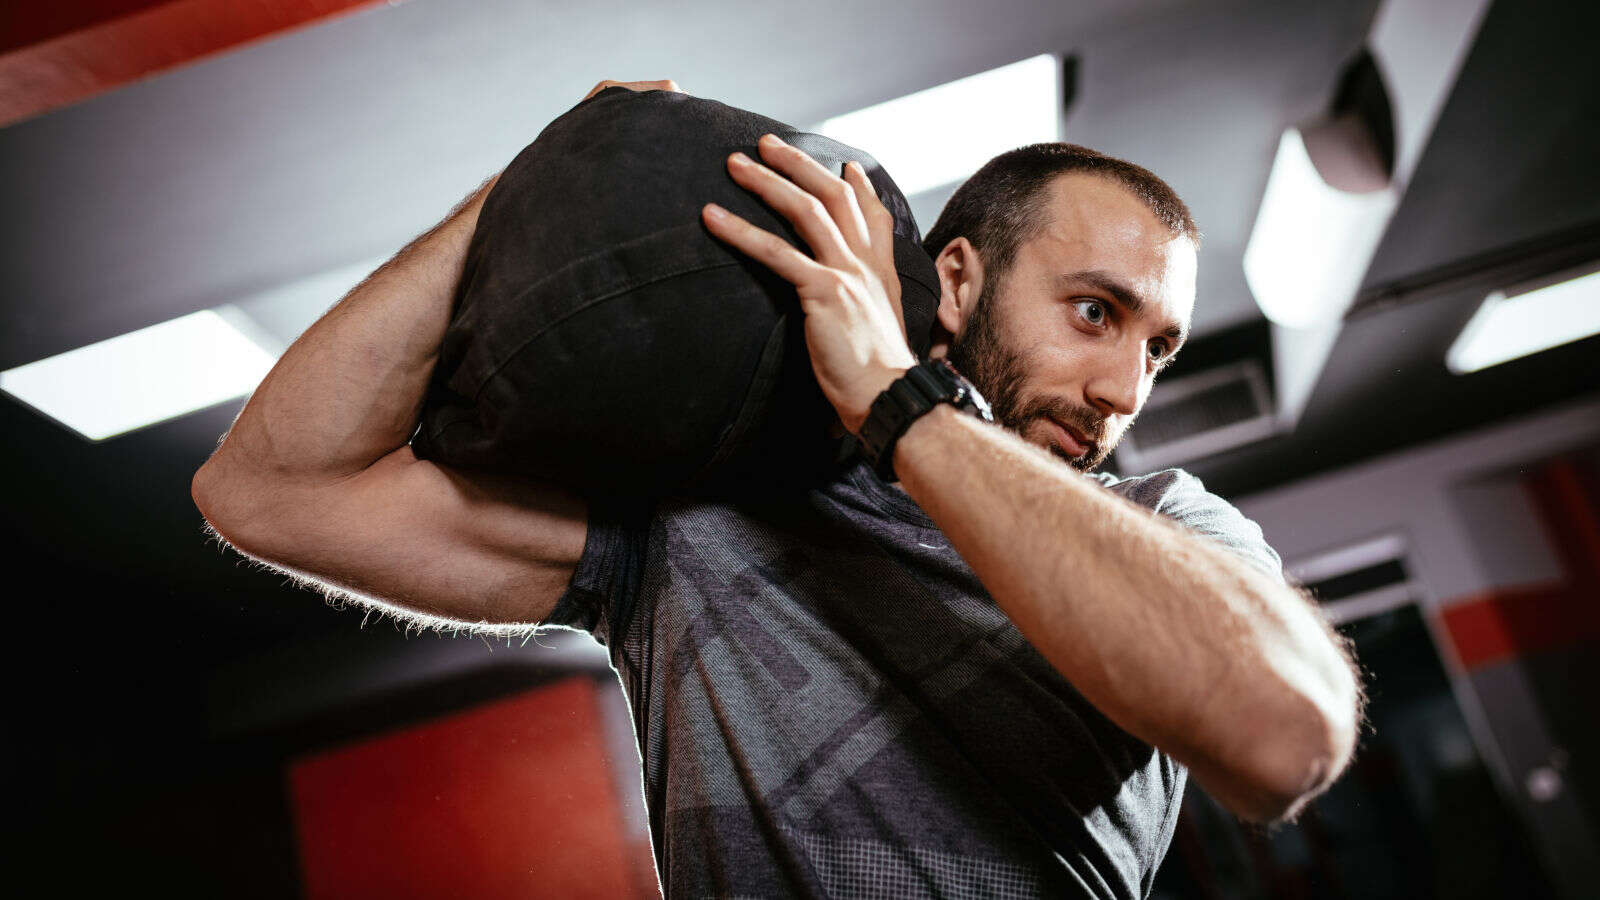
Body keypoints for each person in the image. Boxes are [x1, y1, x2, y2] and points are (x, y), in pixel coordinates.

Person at [193, 80, 1363, 898]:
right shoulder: (697, 525)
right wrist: (517, 197)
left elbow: (1280, 739)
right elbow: (267, 492)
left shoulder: (1166, 525)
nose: (1121, 389)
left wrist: (897, 403)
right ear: (958, 280)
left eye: (1158, 351)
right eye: (1094, 312)